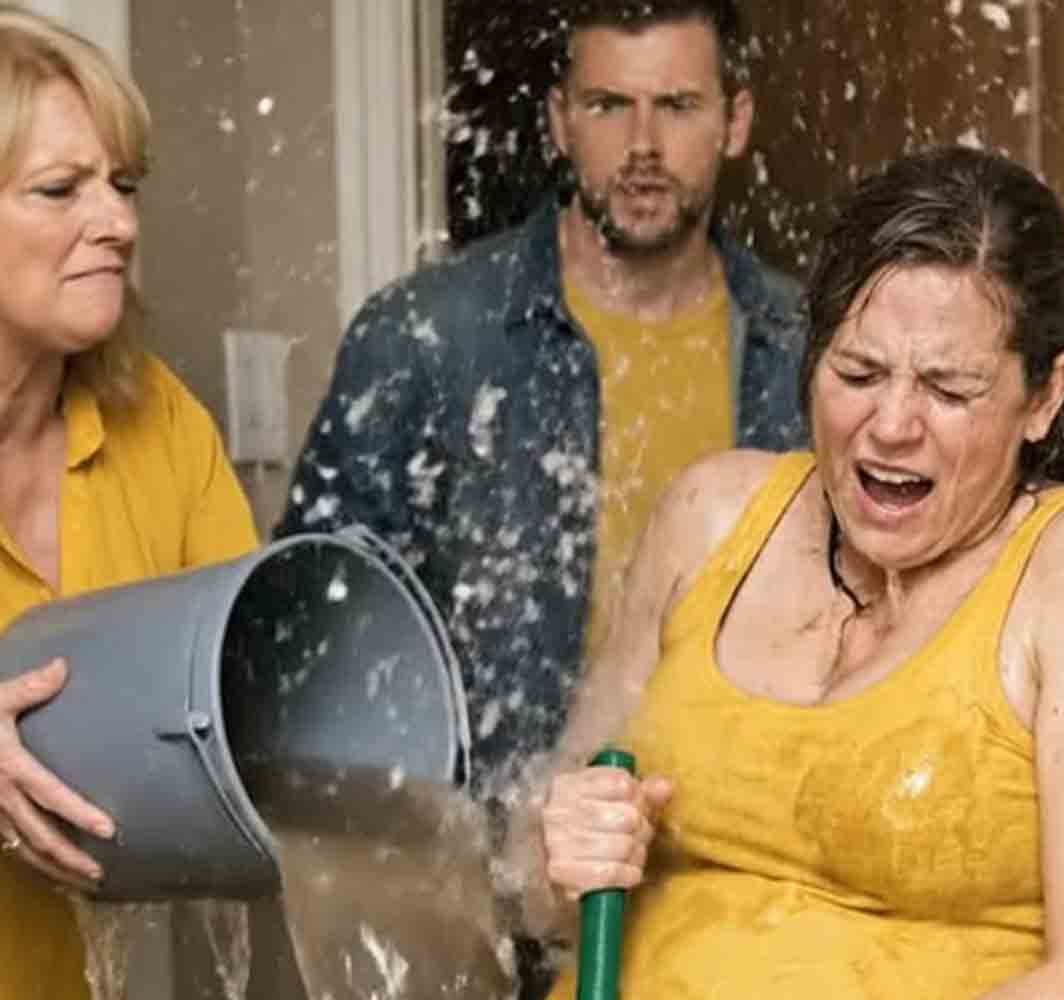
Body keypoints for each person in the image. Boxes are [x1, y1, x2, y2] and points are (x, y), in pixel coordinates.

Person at [524, 144, 1064, 998]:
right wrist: (557, 863)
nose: (890, 425)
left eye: (949, 389)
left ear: (1044, 397)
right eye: (857, 372)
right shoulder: (709, 515)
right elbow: (538, 899)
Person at [277, 0, 804, 804]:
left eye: (677, 106)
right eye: (608, 105)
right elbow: (314, 643)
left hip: (734, 847)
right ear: (560, 121)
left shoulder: (809, 352)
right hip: (497, 855)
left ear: (735, 122)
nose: (643, 146)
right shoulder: (422, 339)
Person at [0, 6, 257, 999]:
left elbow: (255, 689)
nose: (118, 223)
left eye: (122, 184)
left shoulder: (162, 422)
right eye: (60, 189)